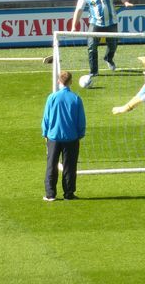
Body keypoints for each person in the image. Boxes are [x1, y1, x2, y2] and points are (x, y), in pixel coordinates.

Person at [71, 0, 133, 80]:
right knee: (91, 47)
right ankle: (93, 71)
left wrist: (126, 2)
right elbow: (79, 10)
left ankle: (108, 59)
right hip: (95, 23)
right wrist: (73, 26)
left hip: (111, 22)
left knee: (113, 45)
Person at [41, 70, 86, 201]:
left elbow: (46, 118)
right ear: (71, 82)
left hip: (53, 137)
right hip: (71, 138)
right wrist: (80, 134)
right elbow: (81, 120)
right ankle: (68, 193)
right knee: (70, 166)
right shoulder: (76, 99)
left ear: (58, 81)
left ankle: (50, 194)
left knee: (51, 165)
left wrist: (45, 133)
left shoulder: (52, 98)